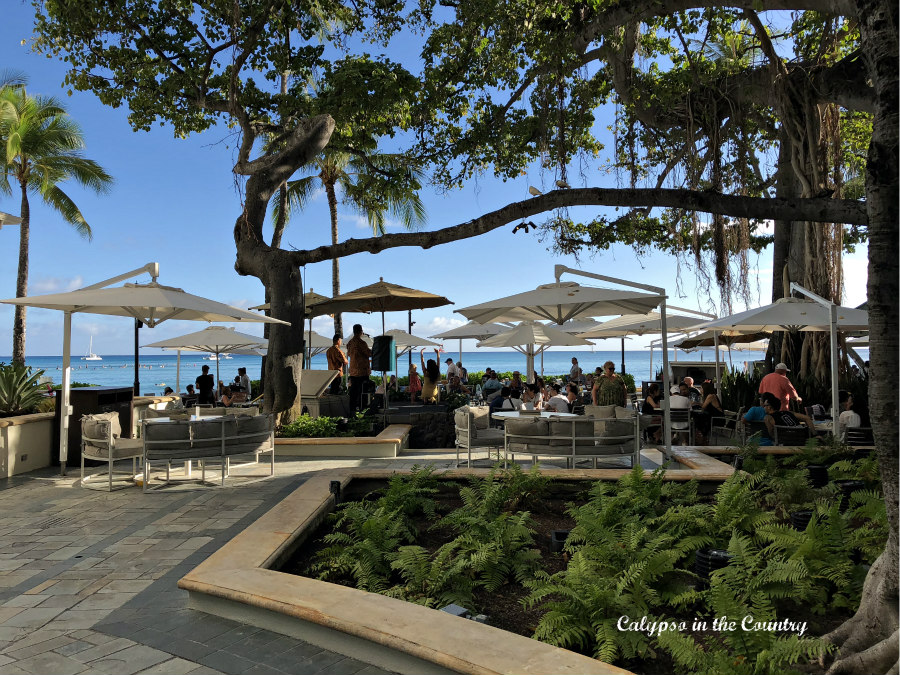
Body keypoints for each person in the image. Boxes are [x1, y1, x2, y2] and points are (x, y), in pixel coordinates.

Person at [347, 324, 372, 415]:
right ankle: (363, 409)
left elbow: (349, 354)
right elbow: (368, 353)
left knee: (353, 392)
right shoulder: (362, 343)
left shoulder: (350, 343)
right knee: (363, 392)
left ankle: (352, 410)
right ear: (361, 331)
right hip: (362, 371)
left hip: (353, 371)